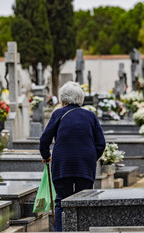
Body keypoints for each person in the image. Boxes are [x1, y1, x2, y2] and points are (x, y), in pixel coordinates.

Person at [39, 81, 106, 231]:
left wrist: (46, 155)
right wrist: (89, 158)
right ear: (80, 98)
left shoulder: (58, 114)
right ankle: (83, 229)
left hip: (62, 164)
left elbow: (44, 139)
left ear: (63, 99)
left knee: (61, 201)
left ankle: (61, 230)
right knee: (84, 201)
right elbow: (101, 143)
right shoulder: (90, 116)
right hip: (85, 165)